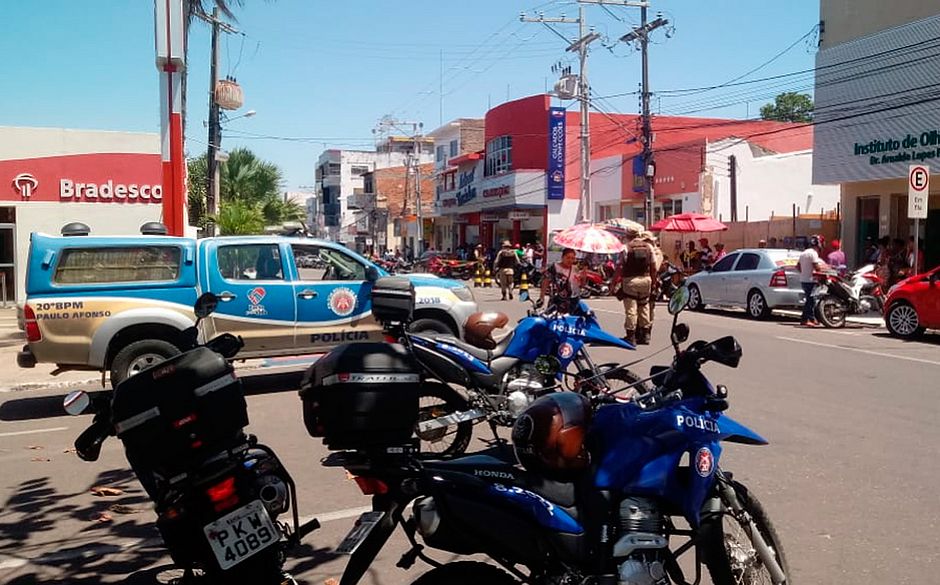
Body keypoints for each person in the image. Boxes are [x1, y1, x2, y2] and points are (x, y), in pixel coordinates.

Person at [615, 228, 657, 345]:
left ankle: (631, 336)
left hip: (630, 280)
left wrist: (613, 283)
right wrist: (654, 282)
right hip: (646, 280)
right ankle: (645, 335)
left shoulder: (626, 248)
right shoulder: (649, 247)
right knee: (644, 306)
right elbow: (653, 268)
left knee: (631, 309)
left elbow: (619, 268)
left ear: (628, 236)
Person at [539, 247, 581, 313]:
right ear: (562, 257)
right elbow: (546, 281)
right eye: (568, 257)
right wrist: (542, 297)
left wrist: (584, 273)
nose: (570, 260)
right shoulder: (555, 267)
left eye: (573, 258)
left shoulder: (575, 269)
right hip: (556, 301)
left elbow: (581, 285)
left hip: (572, 301)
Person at [798, 235, 827, 327]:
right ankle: (808, 319)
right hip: (811, 280)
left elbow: (797, 266)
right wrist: (823, 271)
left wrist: (804, 272)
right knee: (811, 301)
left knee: (810, 300)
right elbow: (816, 266)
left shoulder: (804, 253)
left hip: (804, 280)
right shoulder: (814, 253)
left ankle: (807, 318)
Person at [640, 231, 663, 336]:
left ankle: (647, 330)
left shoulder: (656, 252)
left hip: (652, 281)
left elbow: (656, 267)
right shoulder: (640, 251)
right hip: (641, 281)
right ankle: (640, 329)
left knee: (649, 307)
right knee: (640, 307)